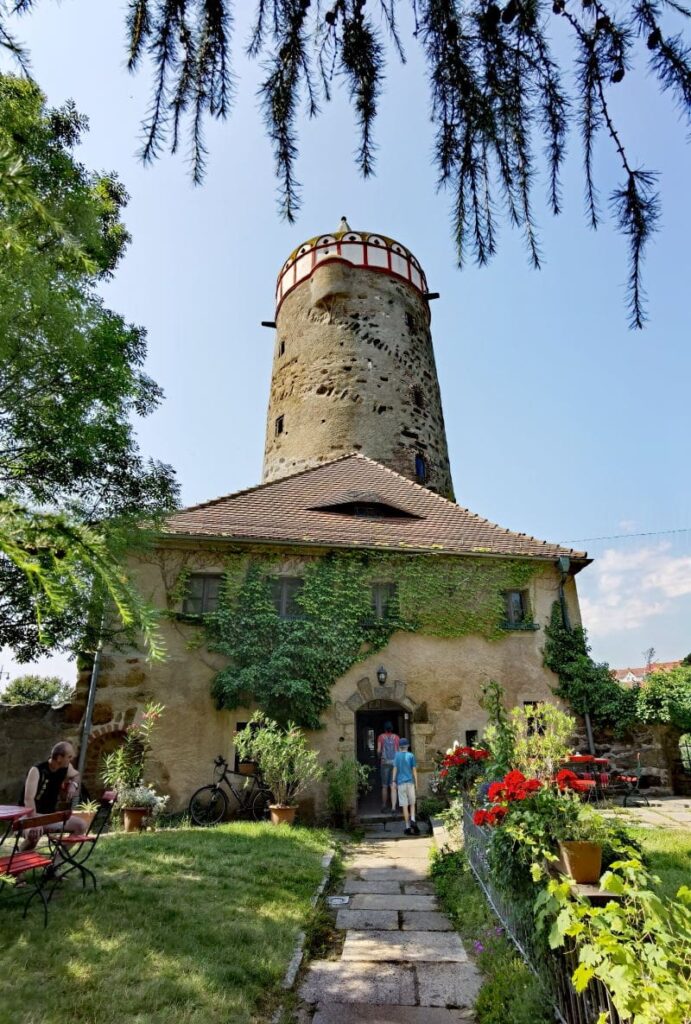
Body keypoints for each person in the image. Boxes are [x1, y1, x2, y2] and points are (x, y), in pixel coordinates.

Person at [21, 741, 86, 856]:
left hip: (50, 816)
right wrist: (35, 822)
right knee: (33, 834)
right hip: (30, 816)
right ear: (59, 757)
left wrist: (73, 785)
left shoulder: (65, 768)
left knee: (81, 826)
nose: (71, 759)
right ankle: (16, 866)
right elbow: (28, 799)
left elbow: (76, 775)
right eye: (69, 757)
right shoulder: (36, 770)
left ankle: (54, 866)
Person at [392, 738, 419, 835]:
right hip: (410, 783)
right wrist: (416, 783)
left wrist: (393, 780)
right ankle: (413, 819)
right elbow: (414, 770)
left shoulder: (397, 756)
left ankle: (407, 827)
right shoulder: (411, 755)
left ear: (399, 747)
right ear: (407, 746)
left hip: (400, 783)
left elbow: (395, 769)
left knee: (404, 805)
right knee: (412, 803)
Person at [376, 721, 400, 812]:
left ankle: (384, 805)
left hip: (384, 763)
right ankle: (393, 807)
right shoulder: (397, 737)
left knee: (385, 786)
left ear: (384, 728)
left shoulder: (381, 737)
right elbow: (398, 750)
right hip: (394, 764)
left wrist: (380, 757)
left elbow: (378, 751)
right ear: (392, 728)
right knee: (393, 785)